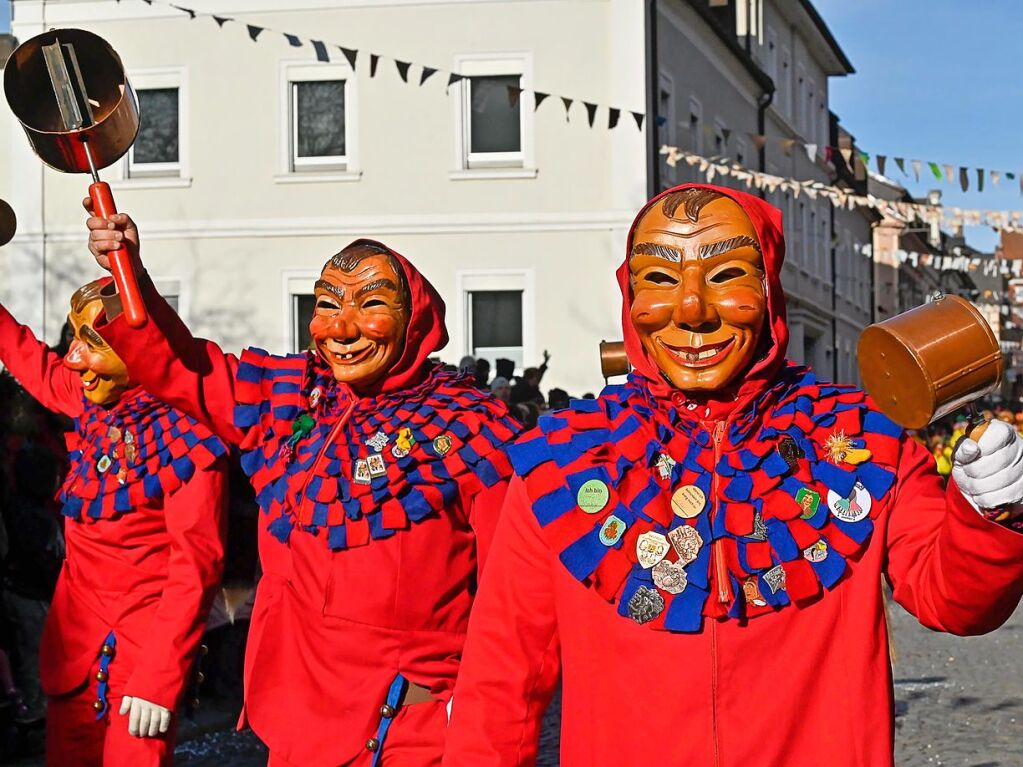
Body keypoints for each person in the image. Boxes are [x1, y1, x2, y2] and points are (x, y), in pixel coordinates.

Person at [442, 184, 1023, 767]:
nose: (693, 310)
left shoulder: (860, 441)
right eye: (662, 281)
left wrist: (986, 513)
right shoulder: (567, 459)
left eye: (725, 276)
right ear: (630, 296)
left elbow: (953, 599)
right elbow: (500, 681)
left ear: (768, 289)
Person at [84, 205, 521, 767]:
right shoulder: (291, 396)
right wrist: (127, 273)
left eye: (369, 305)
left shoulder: (474, 428)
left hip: (406, 731)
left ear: (414, 318)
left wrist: (479, 713)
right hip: (294, 719)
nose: (339, 329)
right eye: (326, 305)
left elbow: (514, 596)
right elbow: (185, 368)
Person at [0, 279, 228, 766]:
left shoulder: (188, 435)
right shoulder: (87, 400)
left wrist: (160, 676)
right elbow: (29, 358)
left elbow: (196, 568)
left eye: (94, 344)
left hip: (142, 667)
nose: (75, 360)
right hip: (73, 659)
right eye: (76, 340)